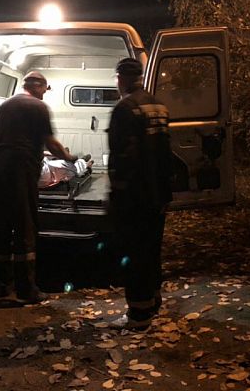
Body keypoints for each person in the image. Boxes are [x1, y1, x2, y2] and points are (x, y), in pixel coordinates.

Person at [0, 71, 79, 304]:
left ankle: (2, 287)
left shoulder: (4, 107)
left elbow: (0, 139)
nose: (44, 94)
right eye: (44, 90)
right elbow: (52, 144)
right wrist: (70, 157)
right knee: (25, 225)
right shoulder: (38, 107)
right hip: (22, 170)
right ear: (39, 86)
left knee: (2, 225)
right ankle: (26, 290)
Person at [107, 58, 173, 330]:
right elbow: (164, 152)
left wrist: (117, 191)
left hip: (135, 194)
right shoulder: (158, 105)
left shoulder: (125, 108)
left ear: (121, 78)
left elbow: (123, 157)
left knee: (134, 252)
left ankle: (138, 313)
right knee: (151, 248)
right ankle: (153, 299)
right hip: (157, 193)